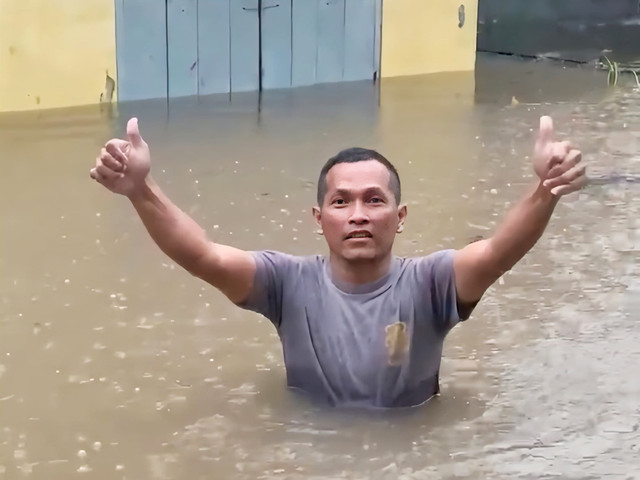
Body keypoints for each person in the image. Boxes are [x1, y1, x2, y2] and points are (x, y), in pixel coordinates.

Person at [90, 116, 586, 408]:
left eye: (374, 200)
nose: (358, 216)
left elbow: (500, 250)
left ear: (401, 216)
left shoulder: (433, 283)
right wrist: (139, 190)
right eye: (341, 202)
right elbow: (201, 254)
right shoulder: (285, 283)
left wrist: (547, 187)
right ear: (318, 217)